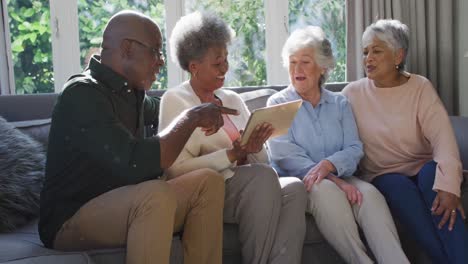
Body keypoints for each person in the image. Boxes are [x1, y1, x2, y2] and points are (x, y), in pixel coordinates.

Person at [39, 10, 238, 264]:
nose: (161, 61)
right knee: (154, 194)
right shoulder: (82, 94)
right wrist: (192, 118)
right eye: (156, 51)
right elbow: (135, 162)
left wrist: (202, 105)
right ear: (128, 49)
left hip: (126, 206)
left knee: (207, 182)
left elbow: (171, 112)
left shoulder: (132, 93)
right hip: (70, 219)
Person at [158, 11, 308, 264]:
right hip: (208, 192)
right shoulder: (175, 100)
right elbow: (175, 171)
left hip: (250, 185)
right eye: (217, 63)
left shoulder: (232, 99)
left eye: (226, 59)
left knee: (294, 187)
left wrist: (256, 147)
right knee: (261, 179)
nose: (225, 68)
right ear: (193, 67)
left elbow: (262, 163)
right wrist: (230, 154)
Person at [267, 26, 409, 264]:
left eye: (305, 62)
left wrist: (330, 166)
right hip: (304, 182)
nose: (297, 70)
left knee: (371, 196)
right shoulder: (277, 104)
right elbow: (284, 156)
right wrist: (333, 178)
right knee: (327, 191)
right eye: (292, 63)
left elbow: (354, 148)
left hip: (341, 176)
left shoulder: (339, 103)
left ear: (323, 66)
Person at [342, 19, 468, 264]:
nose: (368, 58)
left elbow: (443, 139)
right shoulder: (351, 94)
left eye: (377, 51)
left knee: (437, 183)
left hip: (422, 166)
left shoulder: (420, 87)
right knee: (400, 189)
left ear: (398, 55)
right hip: (383, 174)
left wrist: (450, 186)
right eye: (365, 52)